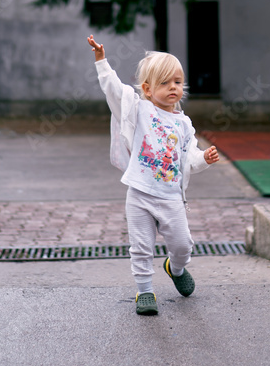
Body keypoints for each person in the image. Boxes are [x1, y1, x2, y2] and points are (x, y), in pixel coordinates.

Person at [87, 33, 219, 316]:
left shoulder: (183, 124)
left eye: (178, 82)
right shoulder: (140, 110)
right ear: (147, 89)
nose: (173, 88)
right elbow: (114, 90)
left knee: (182, 245)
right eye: (165, 83)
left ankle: (176, 267)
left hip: (171, 197)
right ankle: (145, 291)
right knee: (141, 247)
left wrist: (204, 159)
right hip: (139, 193)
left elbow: (190, 158)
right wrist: (102, 62)